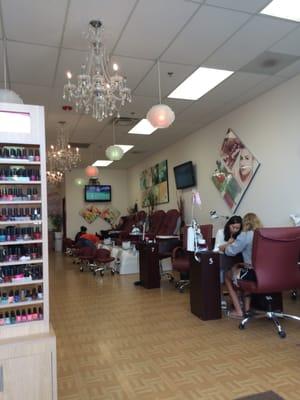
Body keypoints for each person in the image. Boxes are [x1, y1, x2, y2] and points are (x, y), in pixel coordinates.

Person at [219, 212, 263, 319]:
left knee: (228, 277)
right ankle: (247, 309)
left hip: (252, 273)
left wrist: (226, 246)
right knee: (243, 272)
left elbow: (230, 252)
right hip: (266, 274)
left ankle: (239, 311)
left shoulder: (246, 234)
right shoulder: (263, 234)